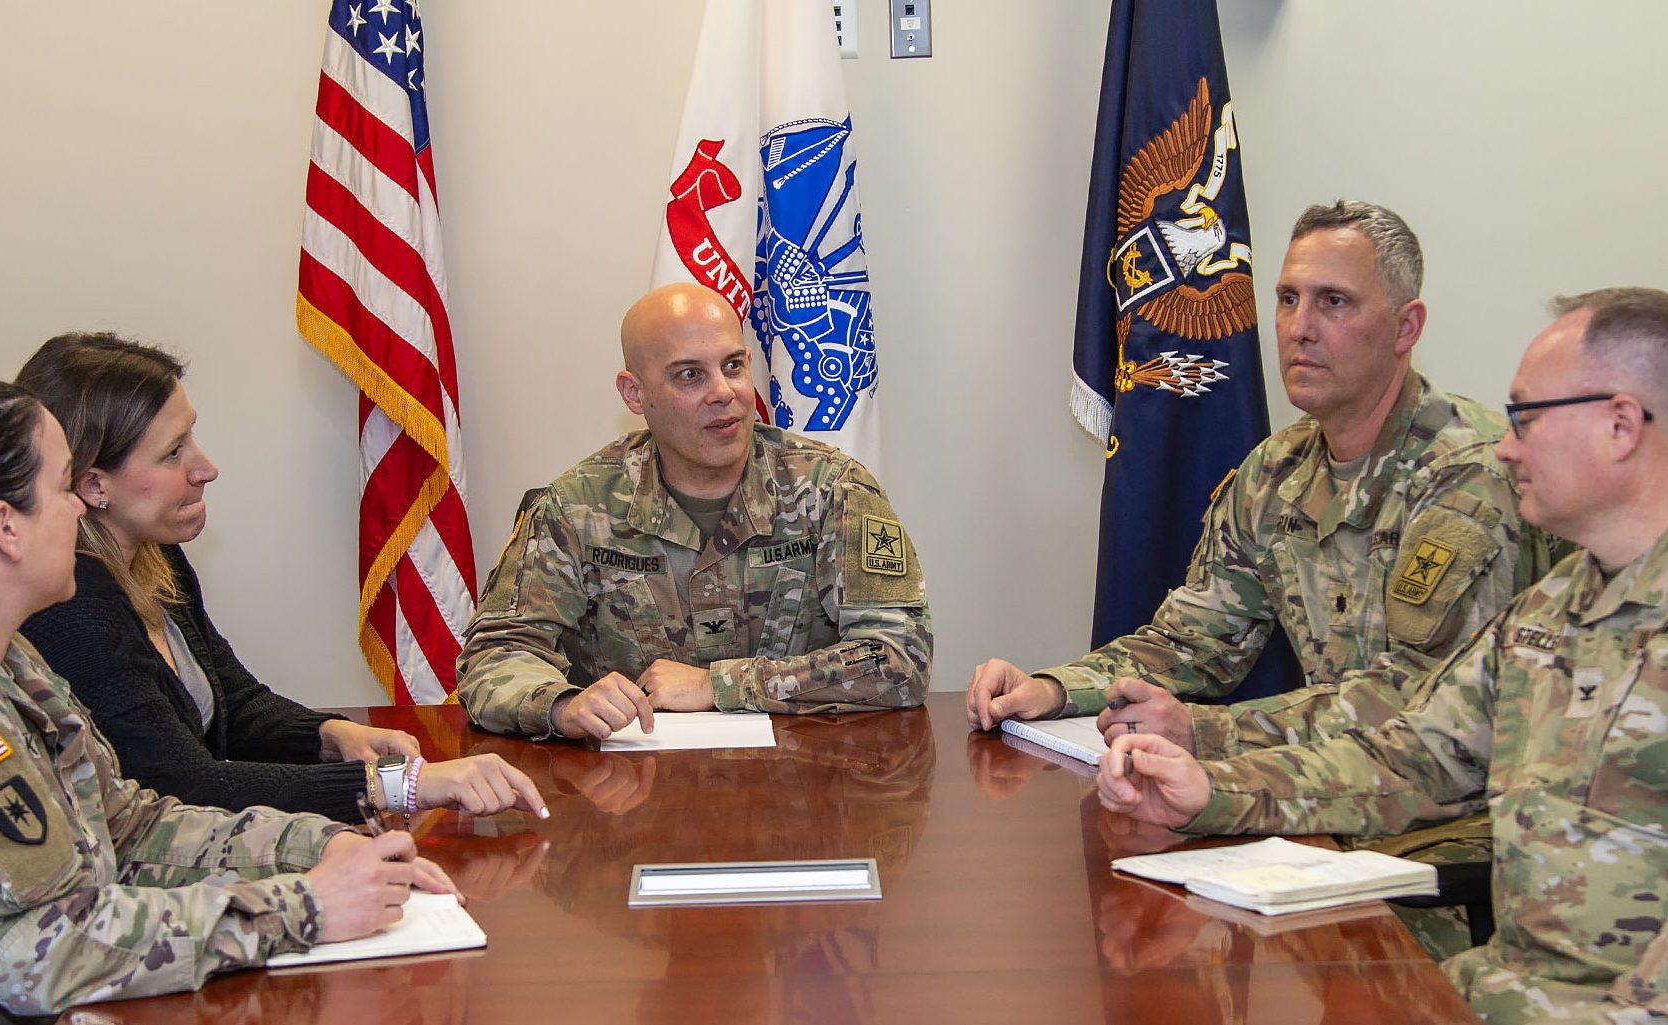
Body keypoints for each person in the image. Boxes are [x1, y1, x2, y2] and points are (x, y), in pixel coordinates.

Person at [966, 200, 1550, 959]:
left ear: (1406, 328)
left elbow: (1414, 707)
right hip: (1316, 817)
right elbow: (1191, 643)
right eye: (1286, 299)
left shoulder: (1468, 478)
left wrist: (1205, 731)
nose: (1299, 327)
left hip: (1448, 845)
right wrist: (1053, 687)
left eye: (1333, 302)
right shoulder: (1275, 471)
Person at [1097, 287, 1668, 1025]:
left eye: (1526, 416)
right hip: (1490, 990)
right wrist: (1211, 789)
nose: (1505, 444)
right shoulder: (1553, 609)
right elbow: (1409, 758)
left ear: (1621, 425)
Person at [0, 379, 452, 1014]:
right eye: (61, 489)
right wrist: (303, 906)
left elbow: (132, 828)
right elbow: (34, 950)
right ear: (6, 527)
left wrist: (317, 848)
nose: (80, 510)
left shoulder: (13, 661)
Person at [14, 333, 547, 825]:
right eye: (173, 452)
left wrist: (327, 734)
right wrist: (397, 784)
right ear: (92, 483)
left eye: (191, 436)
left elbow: (236, 704)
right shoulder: (71, 603)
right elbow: (180, 784)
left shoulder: (155, 557)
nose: (205, 467)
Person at [458, 282, 931, 740]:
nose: (723, 392)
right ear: (634, 394)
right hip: (631, 795)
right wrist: (559, 705)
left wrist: (719, 686)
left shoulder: (832, 490)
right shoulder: (579, 507)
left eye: (733, 366)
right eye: (690, 375)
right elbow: (495, 655)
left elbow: (898, 658)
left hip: (801, 789)